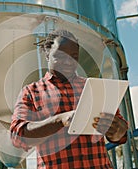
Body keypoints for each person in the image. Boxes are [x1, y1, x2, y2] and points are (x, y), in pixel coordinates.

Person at [10, 29, 128, 169]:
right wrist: (60, 120)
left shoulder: (94, 88)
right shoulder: (31, 92)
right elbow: (18, 136)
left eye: (73, 56)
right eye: (60, 56)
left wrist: (115, 129)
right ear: (47, 55)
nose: (68, 62)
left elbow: (120, 135)